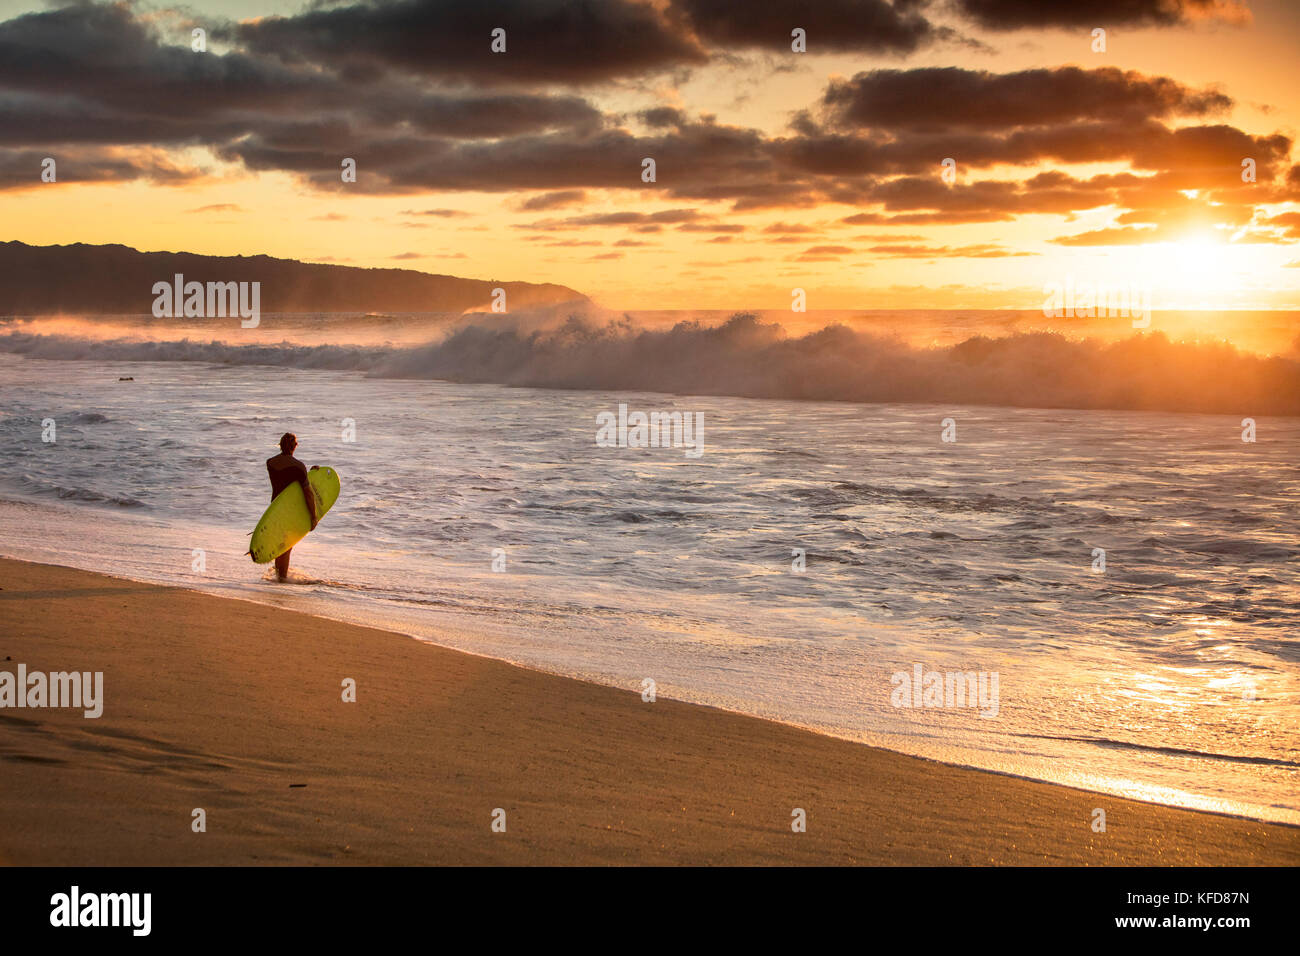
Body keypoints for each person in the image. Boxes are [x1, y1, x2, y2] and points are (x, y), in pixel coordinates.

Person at [266, 432, 317, 582]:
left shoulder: (270, 463)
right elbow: (307, 493)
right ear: (295, 446)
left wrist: (309, 473)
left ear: (280, 445)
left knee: (279, 544)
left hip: (274, 509)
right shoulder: (299, 466)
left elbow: (286, 481)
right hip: (291, 512)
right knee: (287, 547)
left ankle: (278, 577)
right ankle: (282, 578)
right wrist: (313, 517)